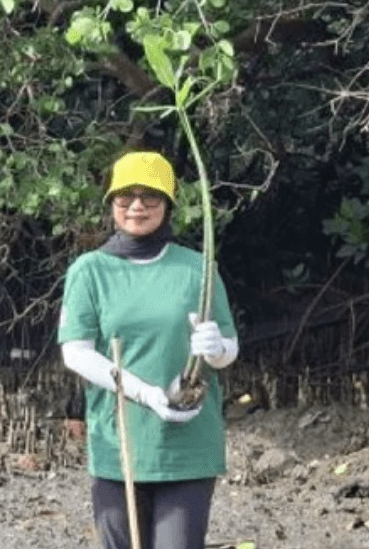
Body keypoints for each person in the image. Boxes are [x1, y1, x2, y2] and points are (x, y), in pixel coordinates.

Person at [58, 150, 239, 549]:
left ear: (168, 204)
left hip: (187, 445)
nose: (137, 207)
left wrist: (215, 349)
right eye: (125, 197)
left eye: (150, 197)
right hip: (119, 443)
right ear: (111, 203)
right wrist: (144, 393)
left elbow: (229, 348)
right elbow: (76, 352)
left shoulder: (198, 267)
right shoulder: (88, 271)